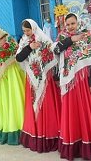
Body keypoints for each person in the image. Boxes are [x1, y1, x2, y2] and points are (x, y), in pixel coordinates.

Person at [54, 13, 91, 161]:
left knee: (88, 112)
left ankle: (90, 142)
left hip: (85, 82)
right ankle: (74, 144)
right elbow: (55, 52)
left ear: (78, 23)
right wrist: (70, 39)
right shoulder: (62, 37)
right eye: (67, 24)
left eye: (72, 23)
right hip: (70, 83)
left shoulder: (87, 36)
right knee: (72, 112)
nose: (70, 27)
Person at [16, 19, 61, 153]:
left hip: (46, 80)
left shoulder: (44, 40)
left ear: (34, 28)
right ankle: (36, 135)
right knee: (34, 106)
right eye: (24, 31)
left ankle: (50, 135)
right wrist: (30, 47)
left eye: (28, 30)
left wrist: (56, 77)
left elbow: (54, 59)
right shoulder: (24, 41)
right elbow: (19, 58)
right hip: (32, 79)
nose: (26, 33)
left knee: (46, 107)